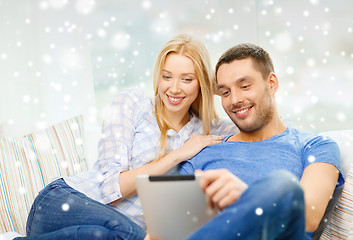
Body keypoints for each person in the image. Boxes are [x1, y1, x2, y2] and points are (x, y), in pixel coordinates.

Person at [16, 34, 237, 240]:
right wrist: (177, 155)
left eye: (187, 79)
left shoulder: (210, 131)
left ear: (201, 83)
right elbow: (112, 189)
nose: (174, 88)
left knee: (101, 235)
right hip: (63, 202)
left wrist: (218, 87)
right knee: (132, 234)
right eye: (166, 76)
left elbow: (258, 130)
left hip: (101, 232)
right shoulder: (132, 103)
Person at [173, 43, 343, 240]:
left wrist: (247, 197)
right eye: (225, 92)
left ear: (271, 84)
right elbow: (173, 224)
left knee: (283, 185)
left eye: (245, 86)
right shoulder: (204, 153)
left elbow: (310, 215)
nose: (235, 99)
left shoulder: (315, 145)